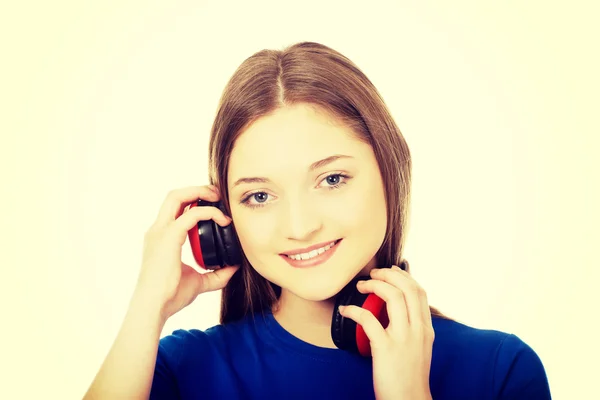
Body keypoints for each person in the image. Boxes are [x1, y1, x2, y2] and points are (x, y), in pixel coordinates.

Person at [83, 41, 551, 399]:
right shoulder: (181, 369)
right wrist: (148, 306)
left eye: (331, 179)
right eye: (260, 195)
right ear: (221, 222)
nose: (300, 226)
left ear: (390, 173)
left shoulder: (499, 371)